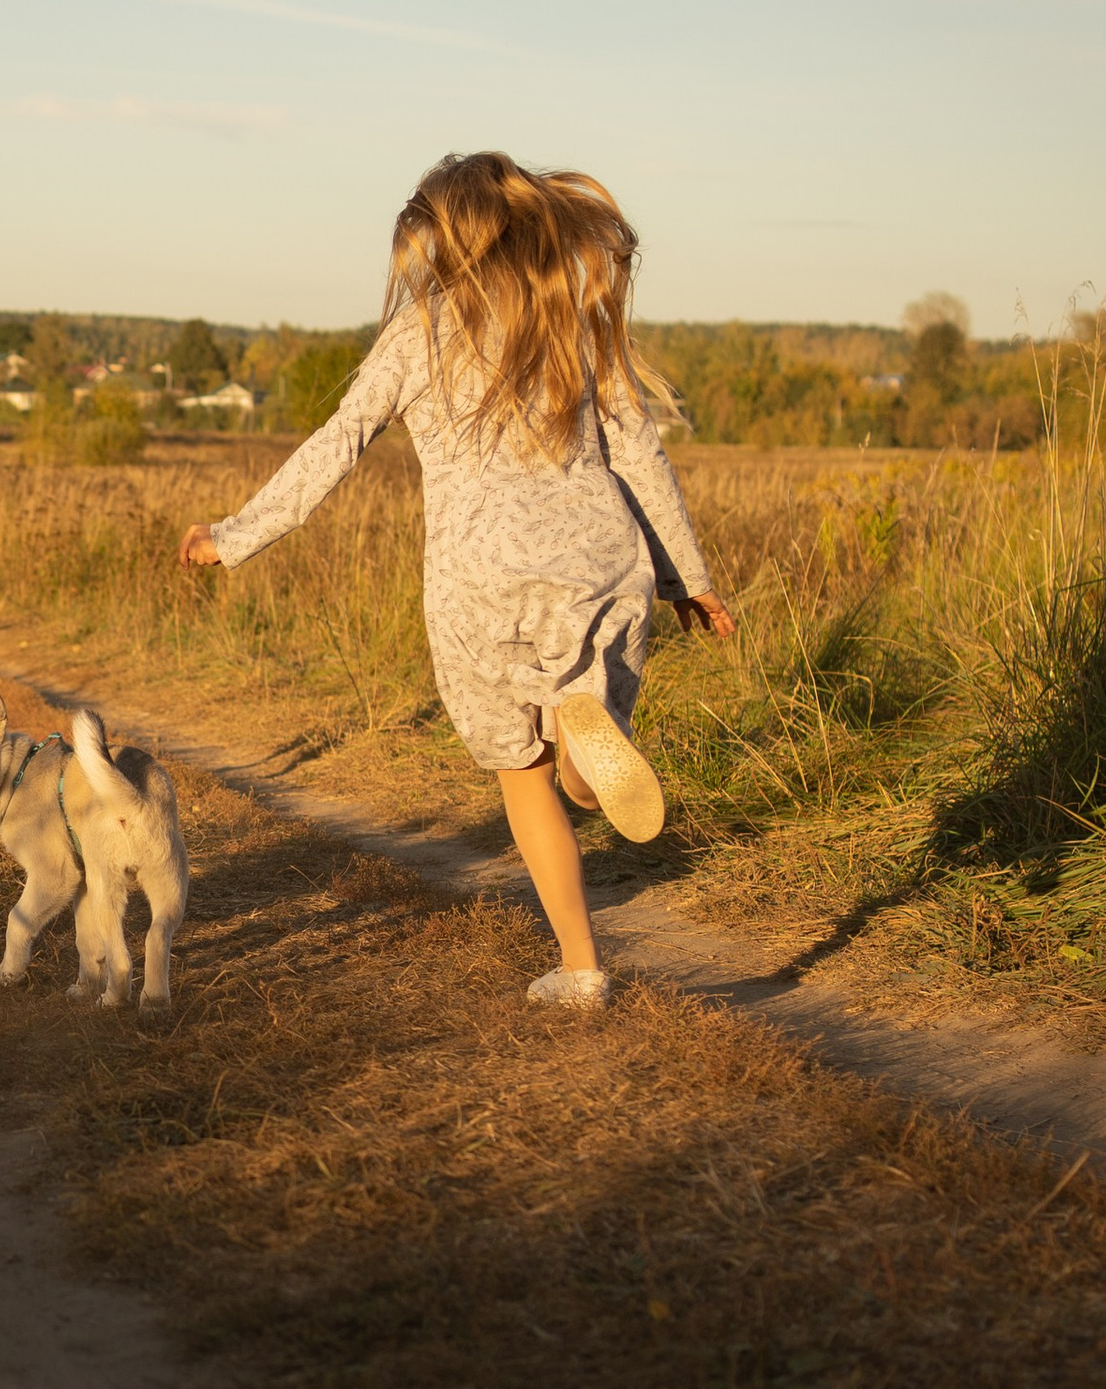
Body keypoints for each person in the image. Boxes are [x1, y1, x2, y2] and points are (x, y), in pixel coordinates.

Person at [180, 152, 735, 1006]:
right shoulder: (573, 320)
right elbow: (639, 455)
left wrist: (233, 537)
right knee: (579, 726)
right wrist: (687, 578)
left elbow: (337, 445)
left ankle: (582, 969)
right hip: (600, 560)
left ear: (442, 241)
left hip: (484, 578)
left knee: (522, 775)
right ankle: (590, 752)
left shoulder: (420, 332)